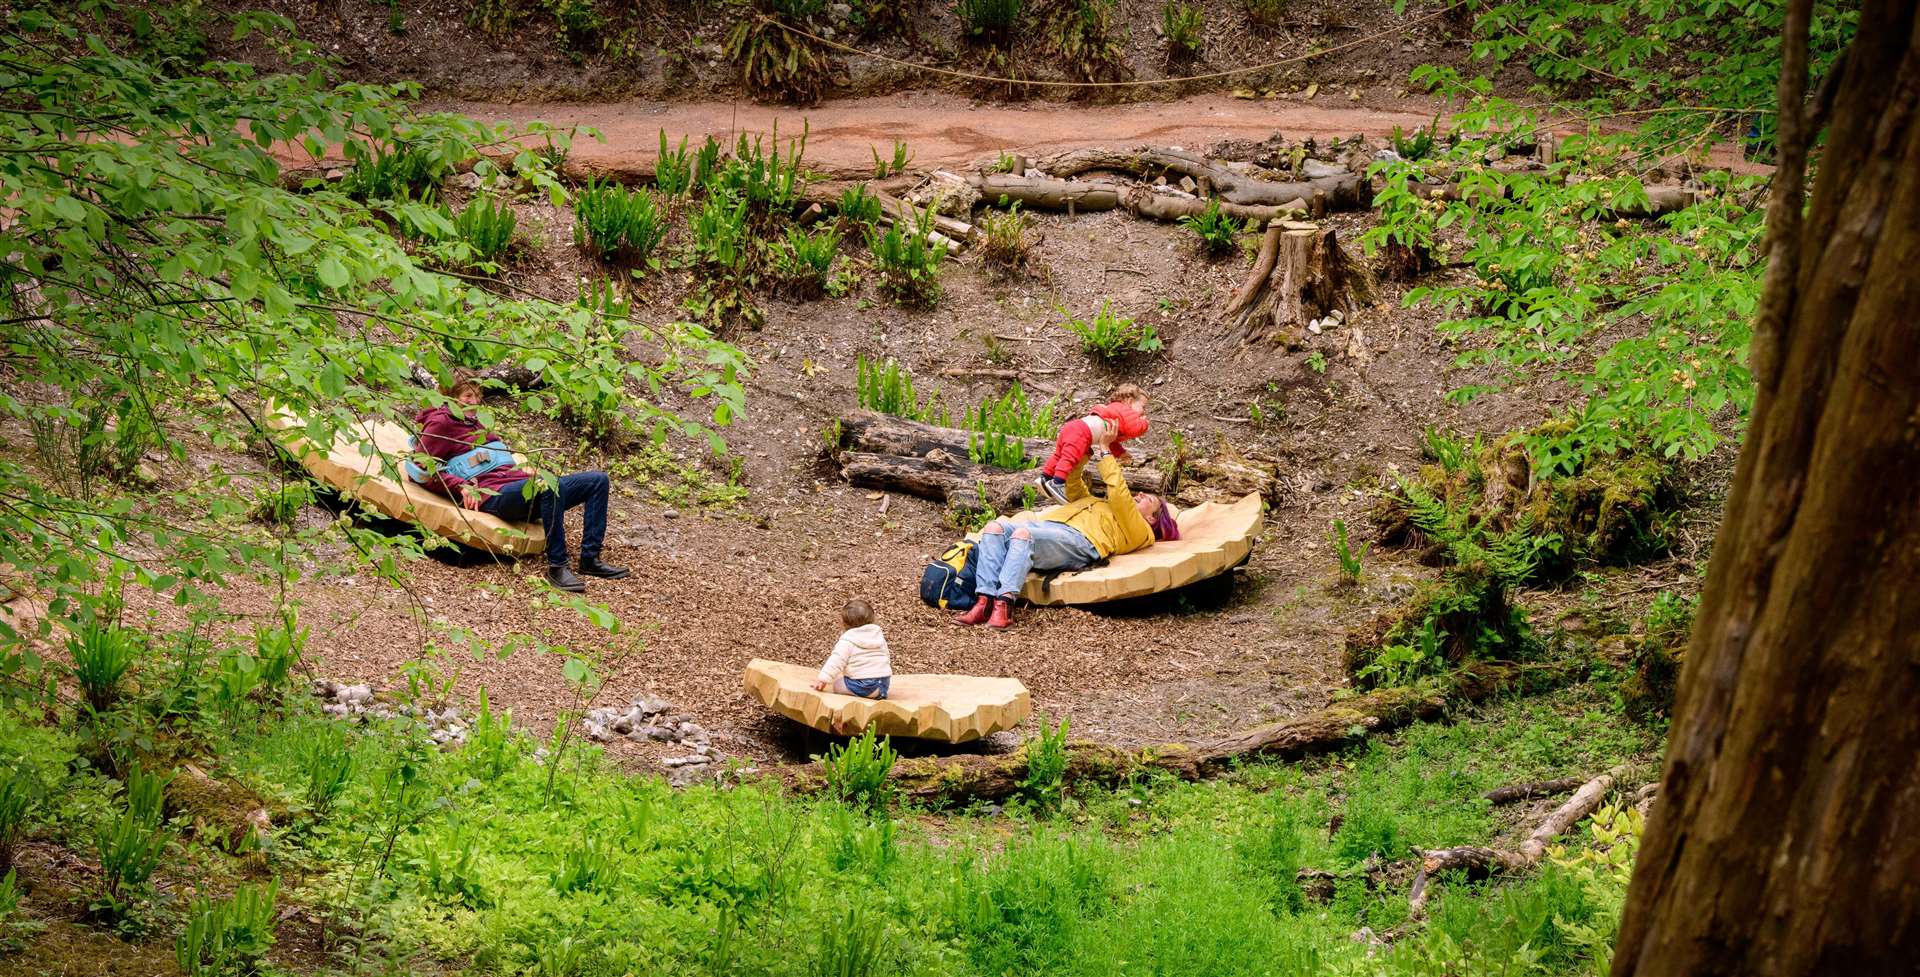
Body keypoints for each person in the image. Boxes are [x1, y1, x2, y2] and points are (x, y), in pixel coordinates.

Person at [413, 376, 629, 593]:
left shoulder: (477, 422)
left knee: (598, 480)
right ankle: (557, 566)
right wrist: (461, 486)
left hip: (516, 484)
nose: (475, 401)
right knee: (546, 486)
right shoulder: (441, 423)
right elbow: (419, 468)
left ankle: (590, 559)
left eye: (478, 395)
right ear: (450, 397)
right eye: (468, 396)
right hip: (492, 494)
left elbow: (494, 458)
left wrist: (522, 470)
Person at [957, 451, 1176, 630]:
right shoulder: (1098, 502)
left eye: (1147, 498)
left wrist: (1106, 453)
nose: (1138, 495)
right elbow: (1072, 483)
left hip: (1081, 541)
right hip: (1049, 527)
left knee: (1023, 536)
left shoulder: (1141, 530)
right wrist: (1084, 453)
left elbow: (1120, 495)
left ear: (1151, 518)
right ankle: (984, 601)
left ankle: (1004, 607)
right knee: (993, 528)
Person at [1035, 383, 1150, 505]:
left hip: (1074, 428)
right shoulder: (1125, 411)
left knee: (1059, 456)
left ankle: (1045, 477)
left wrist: (1121, 453)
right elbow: (1134, 428)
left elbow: (1111, 441)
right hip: (1082, 432)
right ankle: (1058, 483)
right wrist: (1144, 423)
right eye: (1143, 407)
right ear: (1129, 401)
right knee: (1070, 458)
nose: (1144, 412)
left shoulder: (1116, 413)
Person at [811, 599, 892, 699]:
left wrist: (823, 680)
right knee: (851, 679)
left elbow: (836, 661)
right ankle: (877, 693)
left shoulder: (848, 640)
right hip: (883, 684)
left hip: (864, 686)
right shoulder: (878, 635)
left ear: (844, 623)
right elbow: (886, 656)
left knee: (837, 684)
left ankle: (865, 693)